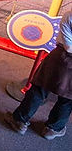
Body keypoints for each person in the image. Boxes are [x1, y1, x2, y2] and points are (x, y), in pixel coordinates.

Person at [6, 11, 72, 139]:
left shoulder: (69, 15)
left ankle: (19, 121)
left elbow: (68, 47)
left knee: (39, 89)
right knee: (68, 99)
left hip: (61, 58)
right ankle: (53, 129)